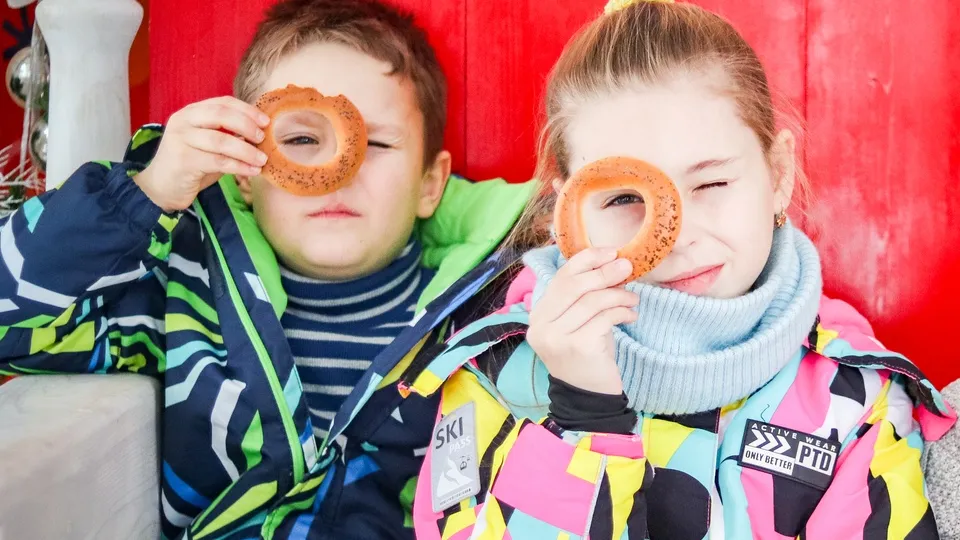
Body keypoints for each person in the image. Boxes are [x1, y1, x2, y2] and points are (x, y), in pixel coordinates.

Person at [408, 0, 957, 537]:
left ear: (779, 175)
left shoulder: (858, 396)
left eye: (712, 183)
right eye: (623, 197)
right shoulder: (491, 374)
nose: (677, 236)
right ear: (567, 212)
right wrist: (584, 418)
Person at [0, 0, 533, 537]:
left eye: (373, 143)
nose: (336, 173)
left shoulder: (494, 327)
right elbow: (10, 321)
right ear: (247, 176)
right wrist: (146, 194)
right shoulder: (184, 305)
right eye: (300, 140)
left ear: (429, 184)